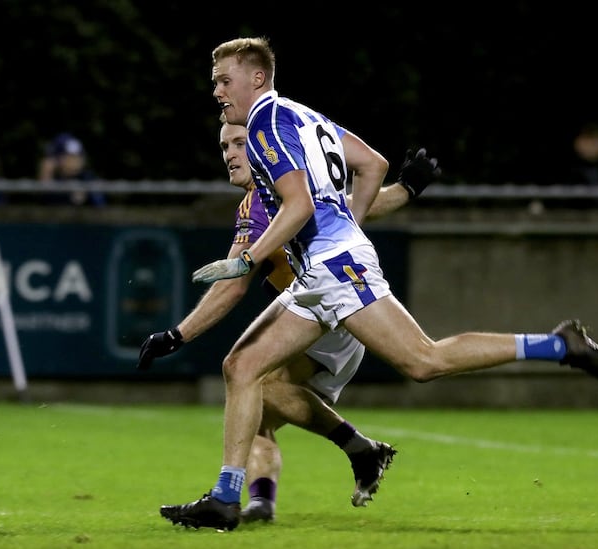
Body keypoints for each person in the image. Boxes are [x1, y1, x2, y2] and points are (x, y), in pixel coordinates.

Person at [158, 37, 598, 532]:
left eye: (224, 81)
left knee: (423, 360)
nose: (218, 93)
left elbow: (300, 207)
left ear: (256, 77)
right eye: (215, 84)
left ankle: (557, 345)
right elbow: (373, 163)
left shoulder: (265, 123)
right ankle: (228, 498)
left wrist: (252, 257)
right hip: (326, 267)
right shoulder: (301, 115)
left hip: (332, 267)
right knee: (242, 367)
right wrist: (346, 228)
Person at [139, 116, 439, 523]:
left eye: (240, 143)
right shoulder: (281, 188)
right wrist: (406, 190)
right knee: (254, 411)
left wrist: (177, 335)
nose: (230, 154)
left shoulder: (270, 193)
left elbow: (233, 283)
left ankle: (361, 450)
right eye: (225, 147)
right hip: (322, 308)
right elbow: (354, 207)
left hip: (325, 307)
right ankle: (262, 502)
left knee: (251, 380)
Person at [36, 132, 105, 206]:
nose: (74, 162)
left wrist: (85, 195)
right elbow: (44, 199)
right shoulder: (54, 176)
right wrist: (46, 174)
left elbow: (100, 205)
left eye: (77, 157)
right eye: (68, 157)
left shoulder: (87, 178)